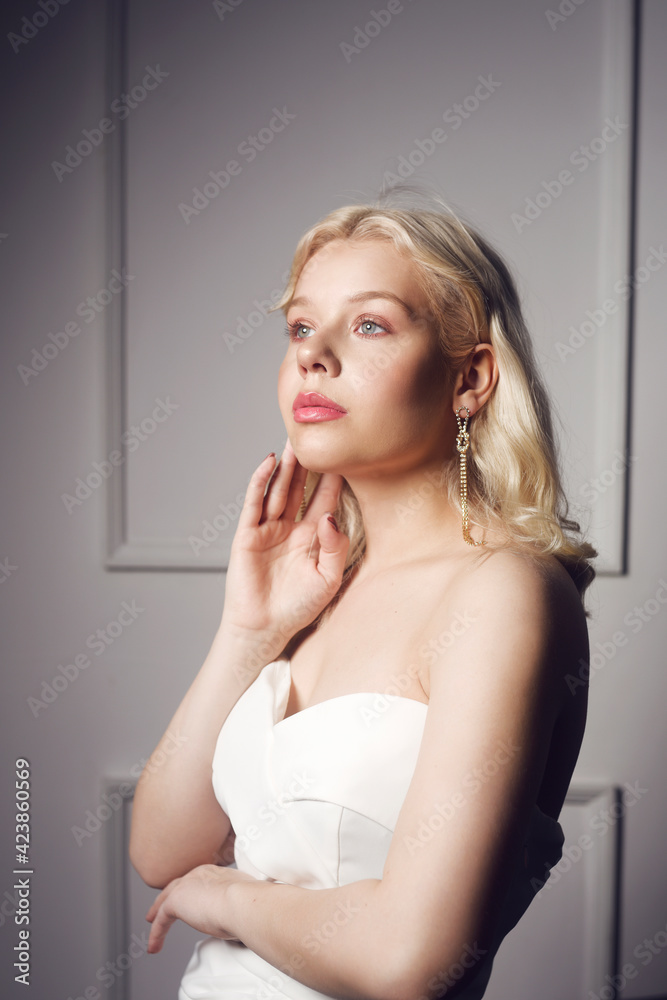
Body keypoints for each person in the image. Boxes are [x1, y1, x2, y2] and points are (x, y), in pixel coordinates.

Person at [130, 190, 597, 1000]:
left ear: (470, 377)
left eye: (371, 325)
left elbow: (405, 962)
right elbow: (161, 853)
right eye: (301, 328)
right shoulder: (318, 586)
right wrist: (250, 630)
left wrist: (228, 895)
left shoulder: (504, 593)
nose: (313, 356)